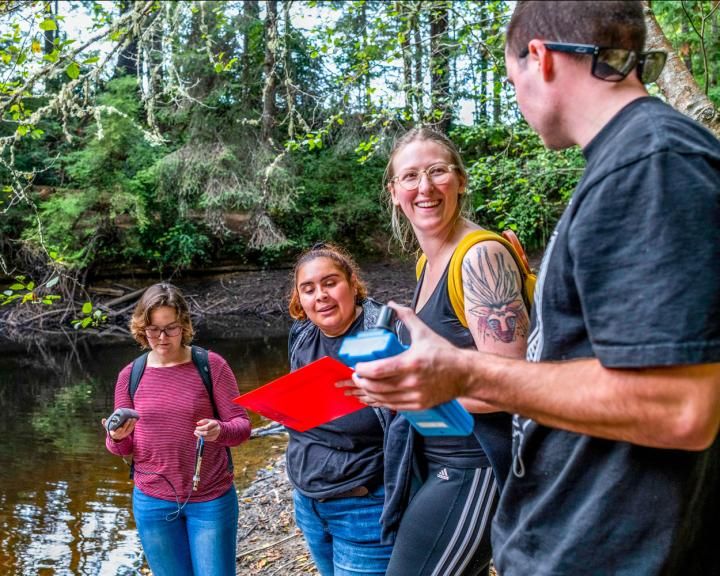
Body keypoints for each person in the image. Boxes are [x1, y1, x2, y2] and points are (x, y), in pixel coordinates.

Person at [349, 2, 720, 575]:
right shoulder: (633, 158)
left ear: (540, 58)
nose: (516, 98)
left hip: (614, 549)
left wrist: (463, 373)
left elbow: (679, 405)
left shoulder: (651, 161)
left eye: (509, 77)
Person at [379, 127, 529, 576]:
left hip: (478, 465)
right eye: (410, 177)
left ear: (460, 181)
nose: (423, 187)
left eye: (437, 171)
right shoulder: (428, 262)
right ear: (394, 192)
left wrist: (409, 392)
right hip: (437, 458)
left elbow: (515, 386)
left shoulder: (479, 256)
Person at [103, 283, 251, 576]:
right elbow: (122, 448)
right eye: (153, 329)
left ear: (183, 325)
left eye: (170, 328)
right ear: (142, 328)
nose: (161, 337)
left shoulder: (211, 365)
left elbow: (242, 427)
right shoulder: (130, 375)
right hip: (152, 502)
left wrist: (218, 430)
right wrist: (115, 436)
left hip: (211, 499)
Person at [286, 243, 393, 576]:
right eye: (309, 289)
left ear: (352, 283)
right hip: (308, 504)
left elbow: (417, 419)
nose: (321, 295)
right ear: (300, 300)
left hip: (364, 506)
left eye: (330, 283)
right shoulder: (302, 333)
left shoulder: (384, 332)